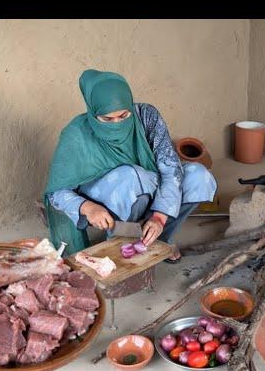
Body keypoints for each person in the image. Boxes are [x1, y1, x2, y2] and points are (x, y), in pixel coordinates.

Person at [43, 69, 217, 263]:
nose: (117, 124)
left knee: (199, 177)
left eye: (124, 116)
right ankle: (120, 248)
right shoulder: (76, 134)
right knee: (130, 176)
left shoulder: (146, 116)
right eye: (107, 120)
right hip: (107, 194)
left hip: (147, 185)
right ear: (93, 113)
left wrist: (159, 217)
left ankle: (158, 239)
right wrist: (87, 207)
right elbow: (56, 193)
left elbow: (171, 168)